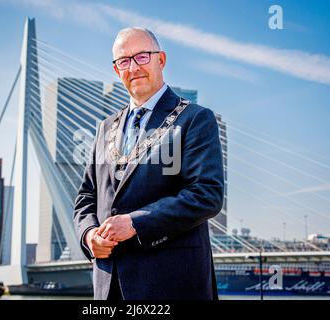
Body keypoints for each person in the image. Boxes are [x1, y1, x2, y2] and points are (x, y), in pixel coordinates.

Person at [73, 27, 224, 300]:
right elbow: (86, 196)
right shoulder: (104, 129)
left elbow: (207, 195)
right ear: (117, 70)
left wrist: (135, 223)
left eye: (142, 56)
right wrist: (89, 236)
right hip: (109, 285)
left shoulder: (195, 119)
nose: (133, 67)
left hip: (172, 283)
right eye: (124, 61)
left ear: (161, 60)